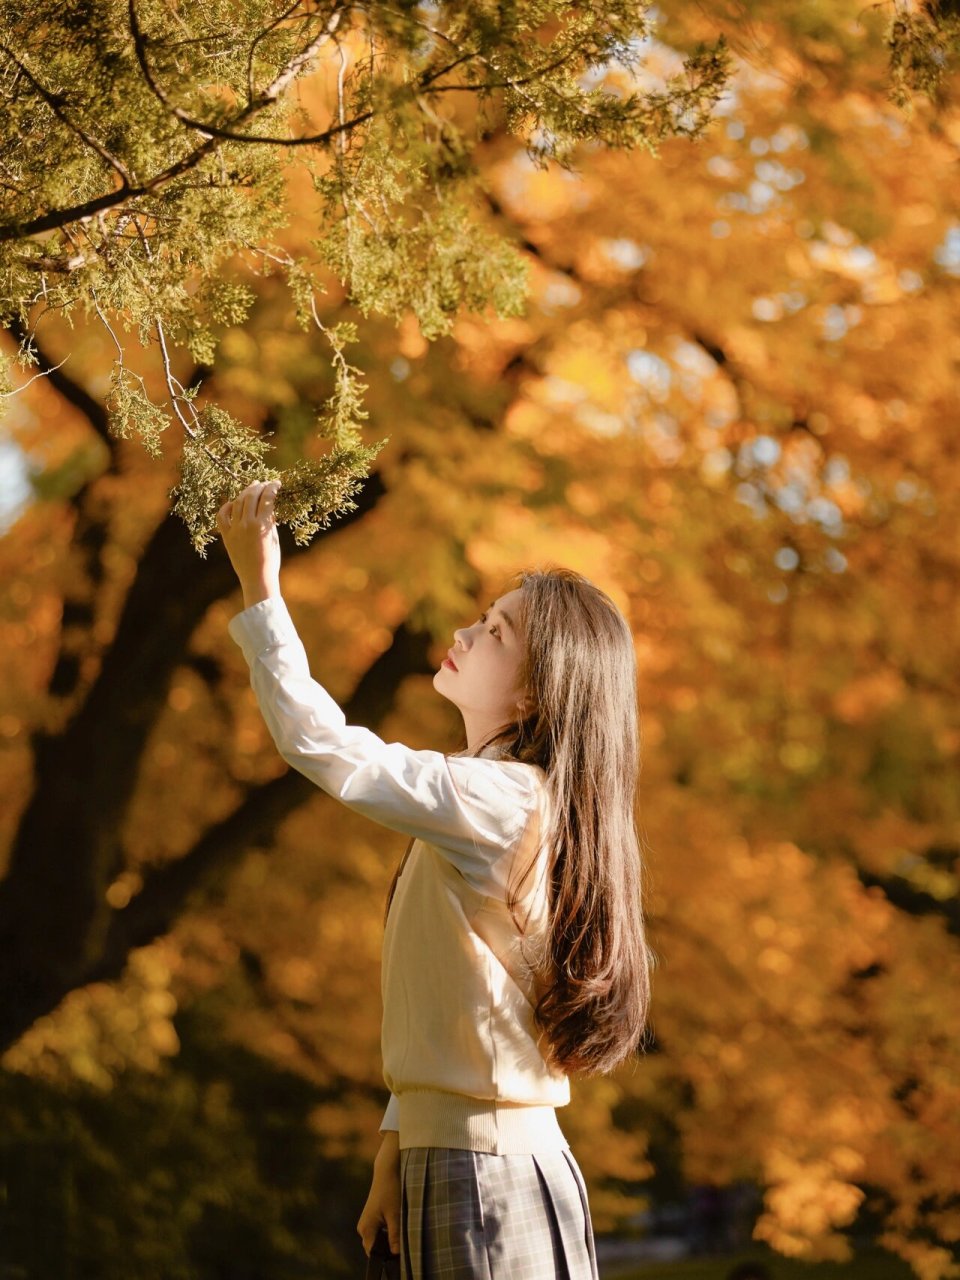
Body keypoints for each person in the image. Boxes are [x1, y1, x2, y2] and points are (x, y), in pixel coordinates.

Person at [218, 480, 652, 1279]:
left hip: (484, 1175)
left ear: (534, 690)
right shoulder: (490, 792)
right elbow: (449, 1011)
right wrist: (398, 1142)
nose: (464, 631)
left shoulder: (502, 799)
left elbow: (324, 746)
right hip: (456, 1158)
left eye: (494, 632)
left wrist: (261, 588)